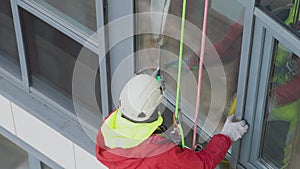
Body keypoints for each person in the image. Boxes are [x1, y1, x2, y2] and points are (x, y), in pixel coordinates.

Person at [96, 74, 248, 169]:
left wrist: (151, 88)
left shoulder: (110, 127)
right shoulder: (160, 153)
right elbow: (202, 164)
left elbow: (137, 104)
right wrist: (227, 136)